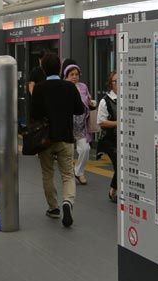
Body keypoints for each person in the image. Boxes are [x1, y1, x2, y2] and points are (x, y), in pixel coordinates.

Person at [30, 53, 85, 227]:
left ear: (44, 69)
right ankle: (68, 202)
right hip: (66, 138)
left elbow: (34, 114)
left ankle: (53, 208)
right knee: (68, 174)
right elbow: (79, 110)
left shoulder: (39, 88)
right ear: (60, 69)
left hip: (45, 139)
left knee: (48, 174)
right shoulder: (69, 87)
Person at [63, 64, 96, 185]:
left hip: (82, 126)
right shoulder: (63, 87)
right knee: (67, 153)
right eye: (71, 74)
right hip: (67, 125)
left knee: (85, 149)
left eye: (76, 74)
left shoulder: (83, 87)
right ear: (66, 76)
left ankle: (78, 171)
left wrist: (91, 103)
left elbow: (89, 101)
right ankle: (69, 175)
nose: (74, 77)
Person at [97, 71, 119, 203]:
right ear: (111, 84)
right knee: (119, 163)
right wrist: (119, 123)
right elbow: (101, 122)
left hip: (124, 139)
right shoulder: (105, 101)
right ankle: (114, 191)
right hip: (110, 140)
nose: (119, 84)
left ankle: (115, 190)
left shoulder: (129, 98)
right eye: (116, 81)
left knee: (124, 164)